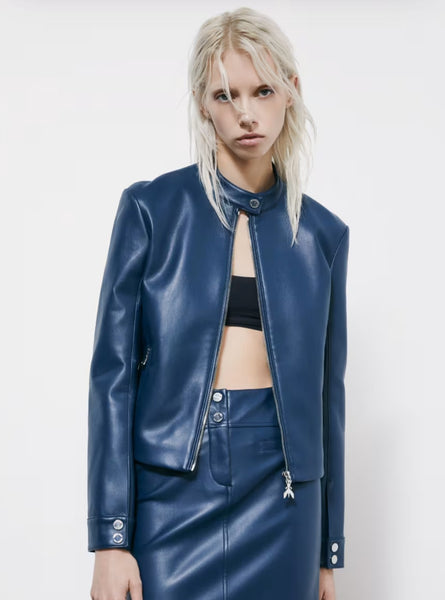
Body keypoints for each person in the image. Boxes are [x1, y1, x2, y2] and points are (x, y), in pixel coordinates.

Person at [87, 7, 350, 600]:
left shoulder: (323, 237)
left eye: (263, 91)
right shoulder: (152, 210)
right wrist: (111, 537)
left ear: (291, 91)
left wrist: (327, 551)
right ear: (203, 104)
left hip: (284, 497)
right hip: (173, 487)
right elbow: (112, 378)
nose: (246, 113)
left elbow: (327, 397)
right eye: (225, 95)